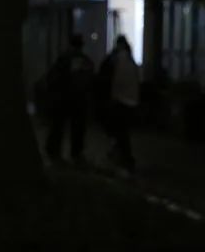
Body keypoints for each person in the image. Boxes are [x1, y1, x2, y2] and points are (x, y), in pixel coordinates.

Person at [44, 34, 95, 164]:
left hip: (63, 98)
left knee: (58, 126)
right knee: (77, 128)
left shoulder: (64, 58)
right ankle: (76, 153)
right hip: (79, 99)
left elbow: (53, 77)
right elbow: (90, 79)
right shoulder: (85, 61)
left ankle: (54, 152)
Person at [99, 35, 139, 174]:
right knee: (122, 131)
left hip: (119, 100)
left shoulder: (115, 59)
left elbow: (110, 79)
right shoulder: (130, 60)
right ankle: (122, 157)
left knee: (119, 132)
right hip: (130, 100)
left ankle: (124, 159)